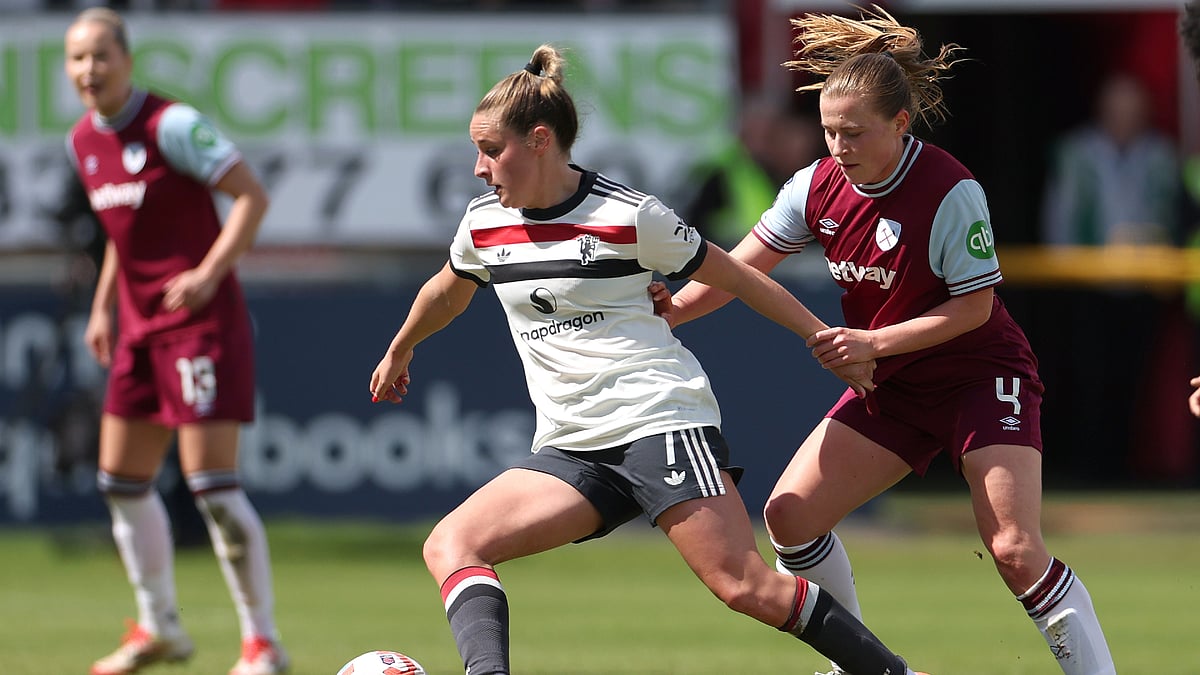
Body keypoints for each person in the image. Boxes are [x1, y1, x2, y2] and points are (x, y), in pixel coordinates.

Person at [369, 43, 928, 675]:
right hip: (570, 444)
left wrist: (819, 337)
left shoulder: (628, 216)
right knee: (453, 542)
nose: (478, 167)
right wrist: (401, 346)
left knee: (743, 584)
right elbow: (447, 287)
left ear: (540, 141)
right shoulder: (483, 226)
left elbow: (740, 277)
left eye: (490, 149)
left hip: (657, 419)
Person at [652, 7, 1116, 675]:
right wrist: (669, 313)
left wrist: (873, 341)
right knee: (790, 517)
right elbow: (737, 270)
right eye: (828, 132)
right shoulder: (815, 185)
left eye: (854, 133)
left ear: (901, 124)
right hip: (893, 384)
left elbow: (975, 307)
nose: (838, 147)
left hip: (978, 376)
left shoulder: (950, 189)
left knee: (1014, 548)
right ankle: (865, 667)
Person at [63, 8, 288, 675]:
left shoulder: (172, 125)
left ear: (127, 60)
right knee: (121, 482)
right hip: (136, 329)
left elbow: (251, 197)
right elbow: (121, 232)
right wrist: (105, 306)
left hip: (199, 323)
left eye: (101, 56)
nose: (89, 70)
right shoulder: (83, 140)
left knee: (213, 488)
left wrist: (208, 272)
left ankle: (263, 642)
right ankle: (160, 625)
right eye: (77, 59)